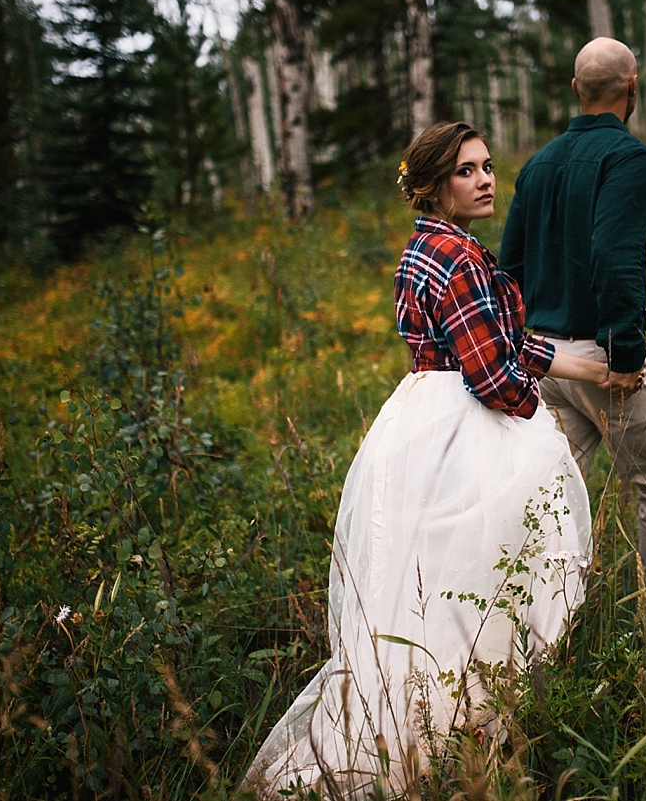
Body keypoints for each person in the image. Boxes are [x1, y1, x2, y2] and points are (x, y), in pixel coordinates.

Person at [242, 122, 608, 798]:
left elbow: (497, 340)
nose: (488, 178)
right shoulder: (464, 258)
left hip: (417, 418)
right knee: (477, 575)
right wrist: (541, 411)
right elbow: (494, 374)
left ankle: (407, 725)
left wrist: (576, 364)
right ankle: (451, 733)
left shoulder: (421, 249)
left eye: (489, 166)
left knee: (422, 586)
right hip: (464, 425)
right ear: (437, 185)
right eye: (468, 170)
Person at [500, 37, 646, 608]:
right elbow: (616, 259)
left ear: (576, 89)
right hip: (603, 362)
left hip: (544, 362)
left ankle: (539, 623)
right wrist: (627, 357)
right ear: (633, 87)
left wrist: (522, 349)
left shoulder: (535, 167)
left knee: (554, 495)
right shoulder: (629, 159)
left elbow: (508, 270)